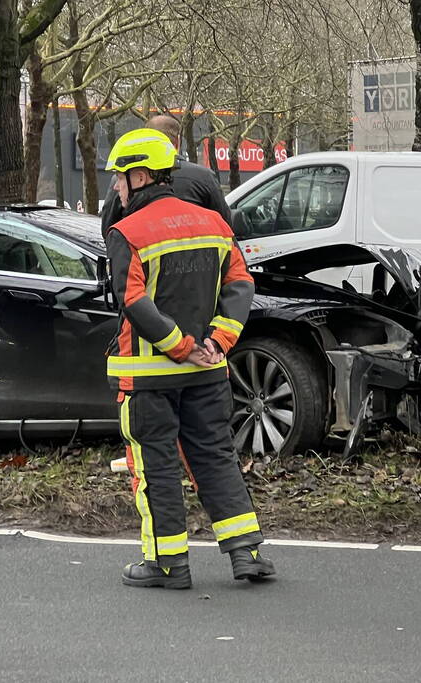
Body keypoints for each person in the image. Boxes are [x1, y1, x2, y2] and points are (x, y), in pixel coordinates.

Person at [103, 128, 274, 589]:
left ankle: (167, 564)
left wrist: (179, 345)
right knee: (216, 457)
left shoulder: (127, 232)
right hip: (209, 371)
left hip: (149, 379)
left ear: (140, 176)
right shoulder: (214, 224)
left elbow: (133, 301)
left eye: (119, 179)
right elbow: (240, 285)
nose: (116, 189)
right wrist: (218, 342)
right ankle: (247, 553)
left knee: (156, 466)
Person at [100, 114, 231, 242]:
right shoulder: (204, 177)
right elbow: (225, 225)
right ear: (178, 141)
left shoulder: (127, 180)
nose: (118, 185)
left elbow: (108, 228)